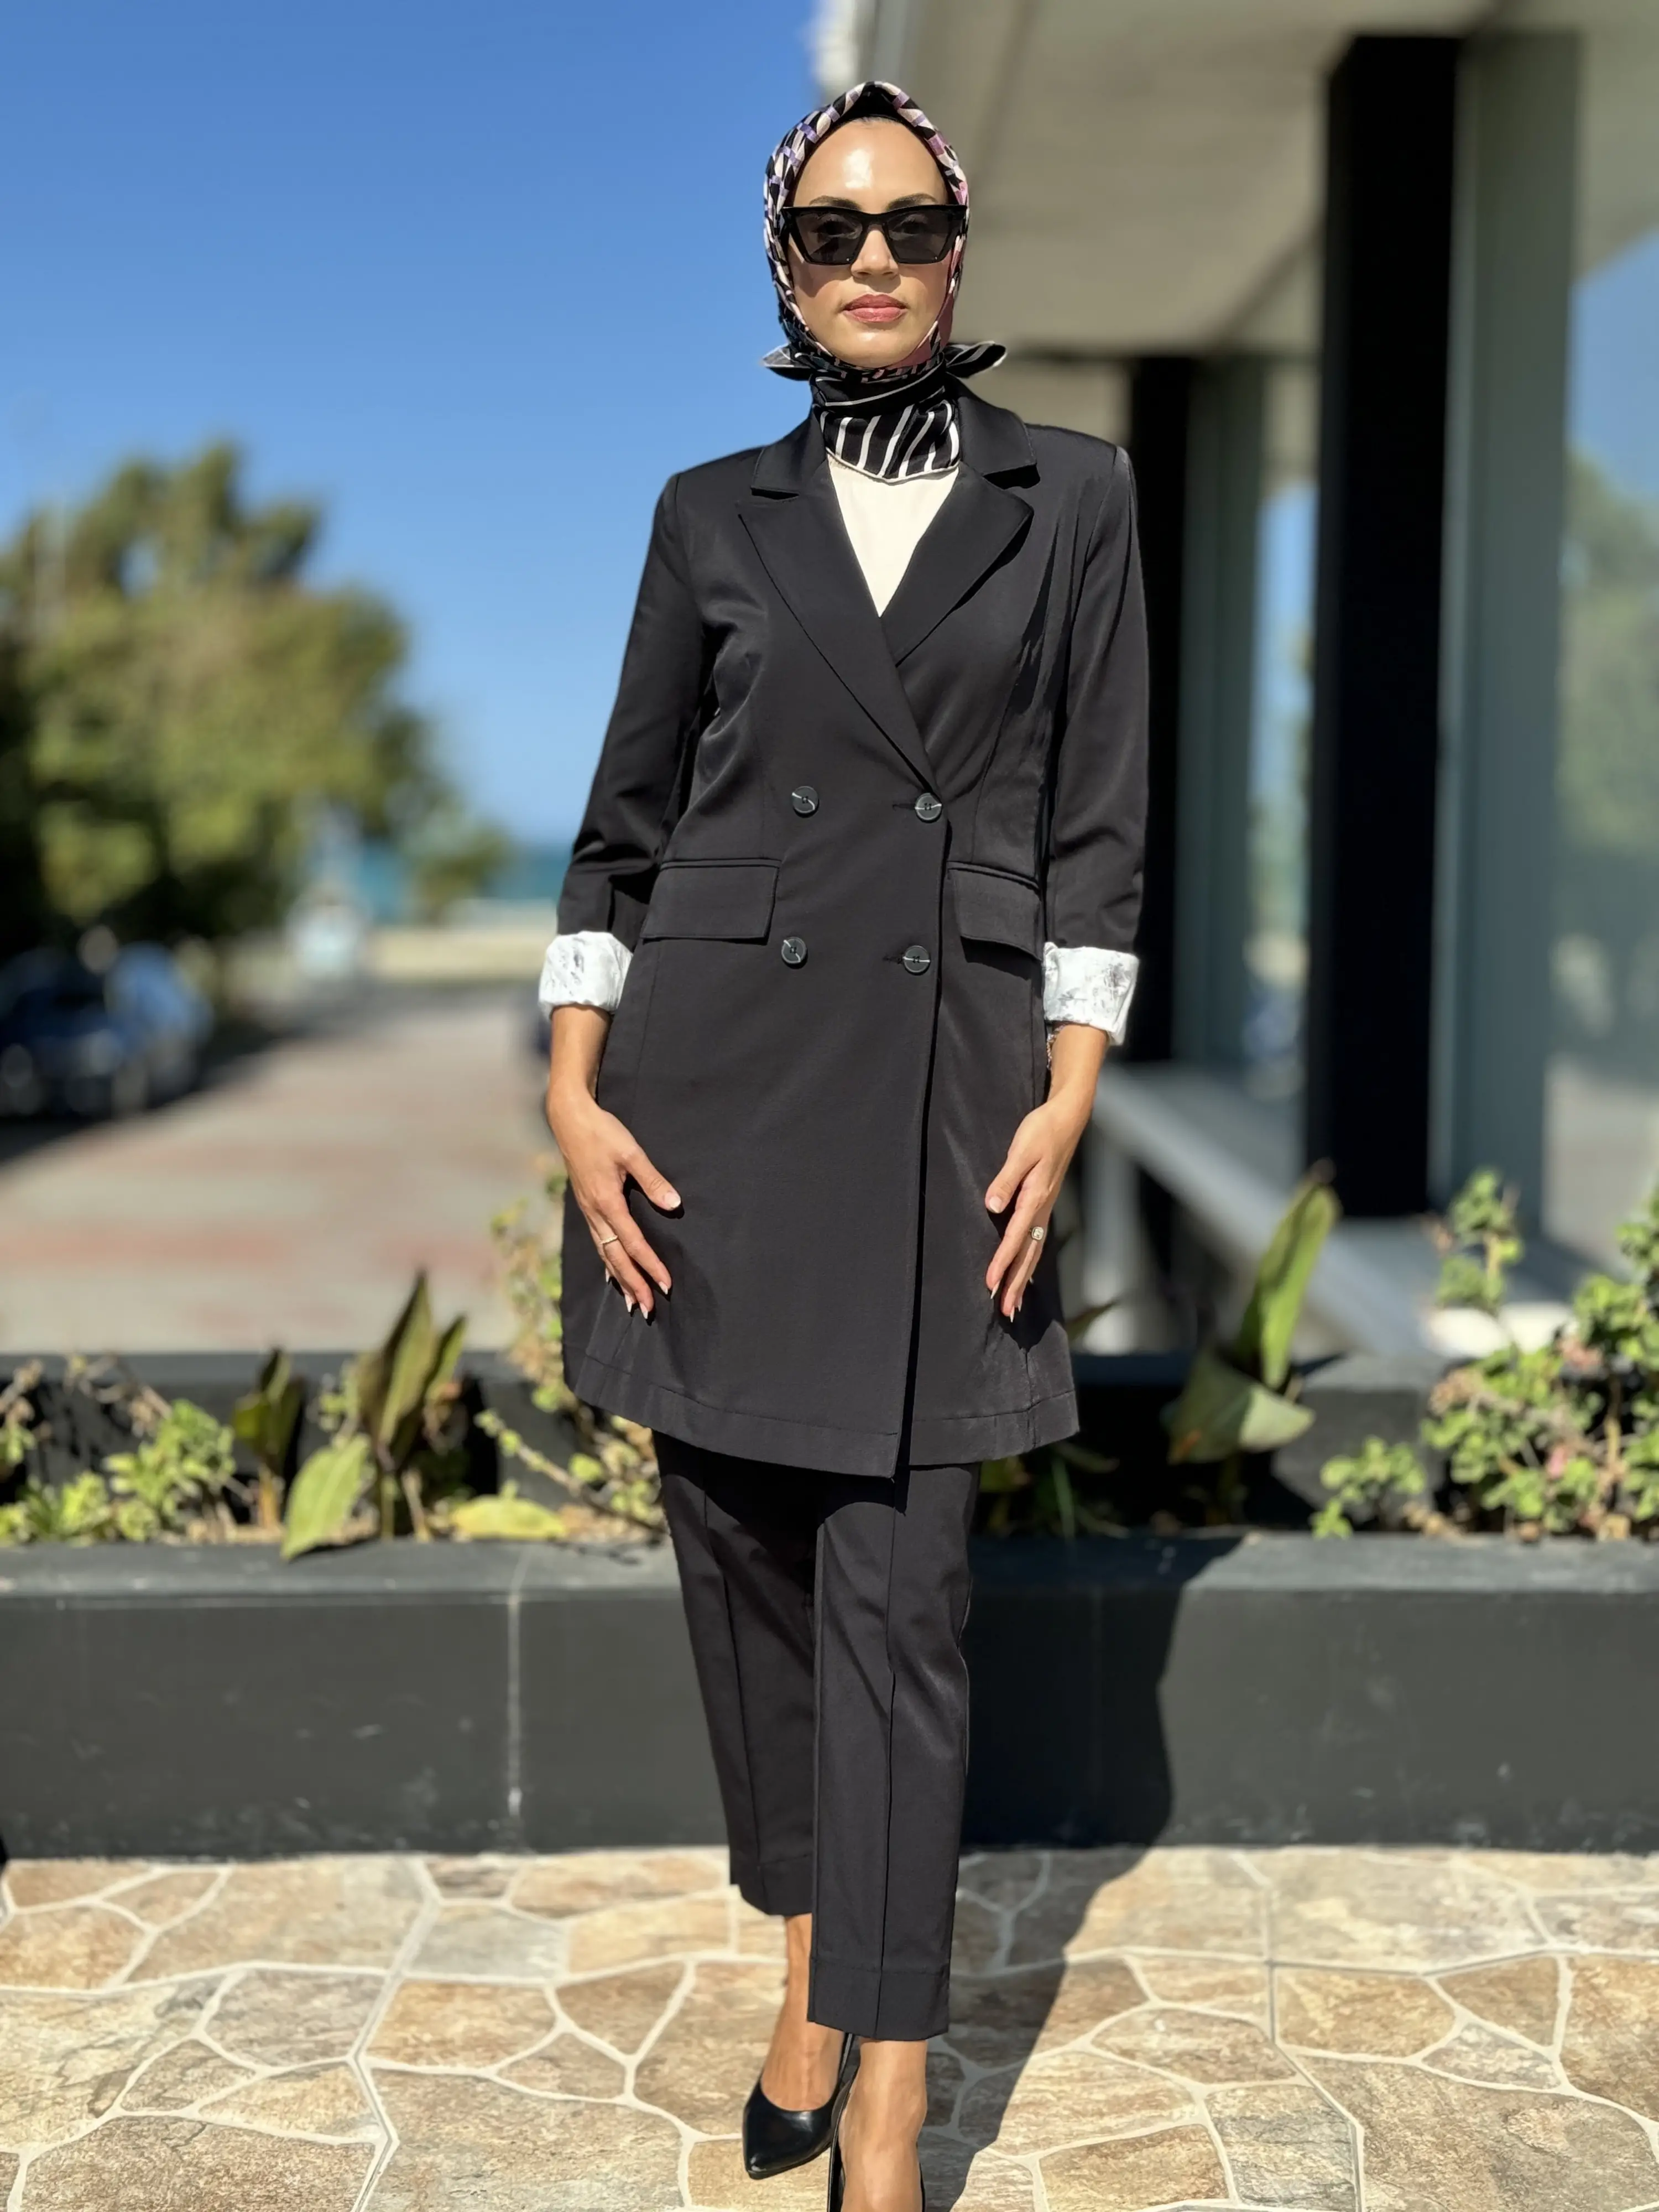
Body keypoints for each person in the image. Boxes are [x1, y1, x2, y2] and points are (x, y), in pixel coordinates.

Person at [541, 79, 1146, 2212]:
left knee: (903, 1598)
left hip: (946, 1093)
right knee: (742, 1561)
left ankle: (886, 2094)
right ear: (784, 271)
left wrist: (1072, 1084)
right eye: (830, 231)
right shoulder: (710, 514)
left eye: (906, 225)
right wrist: (571, 1084)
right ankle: (807, 1950)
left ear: (957, 253)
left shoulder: (1072, 496)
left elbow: (1099, 825)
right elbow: (621, 830)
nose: (871, 259)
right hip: (705, 1100)